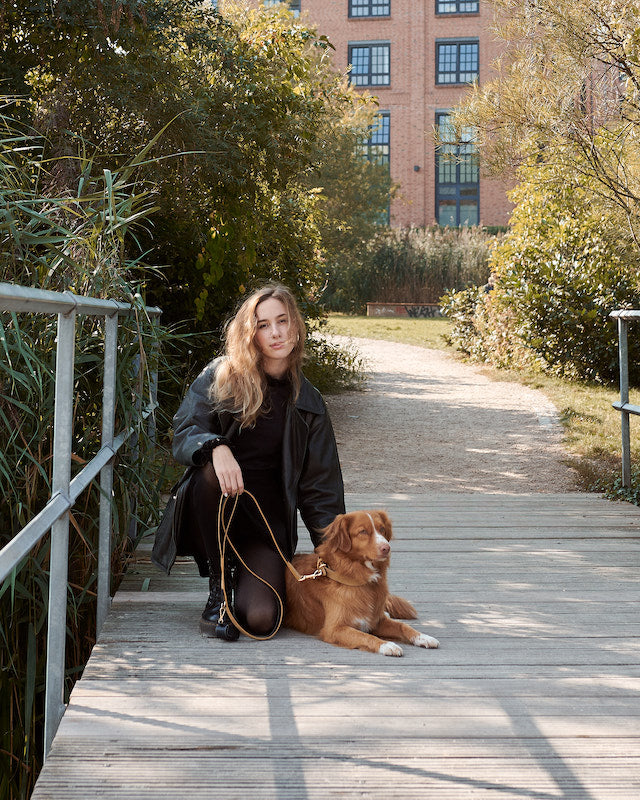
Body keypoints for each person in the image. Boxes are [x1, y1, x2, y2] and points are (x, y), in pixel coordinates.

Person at [151, 284, 345, 639]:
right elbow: (184, 429)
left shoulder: (310, 404)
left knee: (261, 620)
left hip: (264, 528)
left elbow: (321, 490)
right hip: (211, 512)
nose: (276, 333)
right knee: (212, 466)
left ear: (295, 326)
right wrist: (215, 446)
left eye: (282, 321)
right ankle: (220, 586)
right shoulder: (222, 376)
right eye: (263, 324)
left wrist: (337, 557)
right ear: (250, 332)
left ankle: (241, 581)